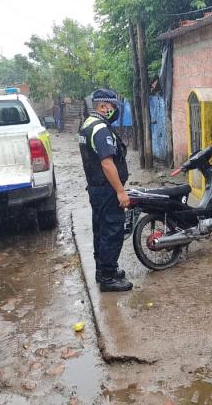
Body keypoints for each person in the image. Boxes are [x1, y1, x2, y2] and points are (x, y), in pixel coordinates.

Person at [79, 89, 133, 292]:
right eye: (113, 106)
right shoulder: (100, 129)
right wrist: (120, 191)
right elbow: (107, 163)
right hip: (106, 189)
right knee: (112, 231)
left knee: (100, 230)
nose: (115, 110)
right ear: (102, 106)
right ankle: (108, 278)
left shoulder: (87, 124)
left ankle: (102, 271)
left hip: (96, 188)